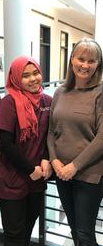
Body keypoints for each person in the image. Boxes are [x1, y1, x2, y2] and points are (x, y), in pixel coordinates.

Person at [0, 56, 53, 246]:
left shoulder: (47, 101)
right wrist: (30, 170)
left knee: (27, 230)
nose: (33, 79)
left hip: (36, 179)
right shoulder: (8, 103)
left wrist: (46, 158)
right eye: (25, 76)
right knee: (14, 235)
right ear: (16, 78)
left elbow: (50, 136)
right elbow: (5, 144)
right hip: (12, 178)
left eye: (36, 73)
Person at [48, 38, 103, 246]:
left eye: (92, 60)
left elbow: (102, 137)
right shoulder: (60, 92)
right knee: (74, 230)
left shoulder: (100, 93)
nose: (85, 65)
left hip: (89, 175)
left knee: (85, 234)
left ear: (98, 64)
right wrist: (54, 161)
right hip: (62, 172)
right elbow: (51, 131)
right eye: (81, 59)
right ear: (72, 60)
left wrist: (74, 166)